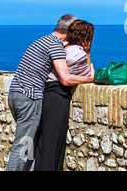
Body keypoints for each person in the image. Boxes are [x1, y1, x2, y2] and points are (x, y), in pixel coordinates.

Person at [6, 14, 94, 171]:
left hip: (15, 94)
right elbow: (66, 79)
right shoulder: (55, 45)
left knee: (31, 143)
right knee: (23, 147)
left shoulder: (42, 40)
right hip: (29, 97)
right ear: (69, 30)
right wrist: (90, 79)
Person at [34, 20, 95, 171]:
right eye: (91, 36)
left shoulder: (63, 47)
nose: (93, 40)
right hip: (58, 96)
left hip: (47, 94)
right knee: (54, 143)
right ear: (85, 38)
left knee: (44, 142)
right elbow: (89, 74)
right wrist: (88, 53)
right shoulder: (78, 53)